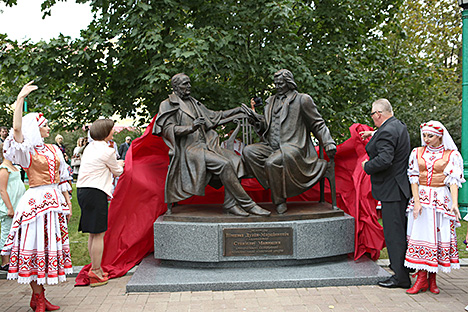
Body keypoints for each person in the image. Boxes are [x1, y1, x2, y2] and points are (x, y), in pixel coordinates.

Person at [153, 73, 270, 217]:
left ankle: (230, 204)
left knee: (237, 161)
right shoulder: (167, 104)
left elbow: (216, 116)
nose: (189, 86)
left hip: (209, 145)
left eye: (189, 83)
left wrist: (238, 110)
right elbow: (167, 129)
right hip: (190, 149)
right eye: (185, 84)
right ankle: (249, 205)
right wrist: (191, 128)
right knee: (225, 164)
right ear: (176, 86)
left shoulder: (194, 102)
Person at [1, 81, 73, 312]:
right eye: (45, 126)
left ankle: (40, 296)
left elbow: (63, 179)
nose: (49, 129)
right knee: (34, 248)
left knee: (46, 247)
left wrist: (68, 203)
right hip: (35, 203)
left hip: (53, 203)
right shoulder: (27, 150)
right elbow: (17, 130)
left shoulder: (53, 149)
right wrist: (20, 99)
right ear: (36, 128)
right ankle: (37, 297)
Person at [242, 69, 336, 214]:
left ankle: (279, 201)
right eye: (276, 84)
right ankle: (275, 185)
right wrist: (256, 120)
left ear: (289, 83)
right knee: (249, 151)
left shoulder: (302, 99)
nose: (278, 86)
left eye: (281, 83)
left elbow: (318, 124)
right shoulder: (271, 101)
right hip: (271, 146)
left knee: (272, 162)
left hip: (292, 146)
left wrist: (328, 142)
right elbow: (267, 126)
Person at [403, 121, 464, 295]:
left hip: (440, 198)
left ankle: (433, 279)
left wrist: (454, 203)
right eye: (424, 135)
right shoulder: (417, 152)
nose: (427, 139)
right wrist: (416, 201)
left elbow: (453, 181)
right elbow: (413, 177)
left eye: (431, 136)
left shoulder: (451, 155)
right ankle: (421, 278)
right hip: (422, 197)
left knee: (437, 235)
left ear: (440, 136)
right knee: (421, 234)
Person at [361, 98, 412, 289]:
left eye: (373, 115)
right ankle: (403, 268)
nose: (372, 118)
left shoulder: (387, 131)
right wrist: (373, 134)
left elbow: (384, 159)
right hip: (399, 188)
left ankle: (400, 277)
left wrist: (367, 166)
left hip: (392, 190)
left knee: (394, 234)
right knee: (400, 231)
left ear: (379, 114)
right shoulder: (397, 125)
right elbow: (388, 137)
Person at [77, 118, 124, 287]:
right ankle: (96, 271)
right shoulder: (107, 150)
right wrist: (121, 163)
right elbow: (118, 172)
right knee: (99, 233)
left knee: (92, 233)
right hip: (96, 192)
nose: (113, 131)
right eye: (112, 129)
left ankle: (94, 267)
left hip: (82, 190)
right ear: (106, 132)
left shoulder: (89, 147)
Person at [0, 143, 26, 271]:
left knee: (17, 232)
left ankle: (16, 257)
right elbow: (2, 190)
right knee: (7, 231)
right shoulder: (4, 169)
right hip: (10, 205)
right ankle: (5, 260)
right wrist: (9, 207)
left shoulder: (15, 167)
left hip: (19, 203)